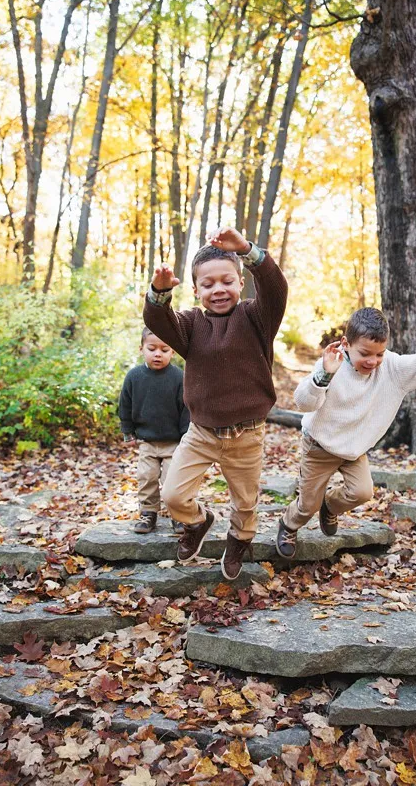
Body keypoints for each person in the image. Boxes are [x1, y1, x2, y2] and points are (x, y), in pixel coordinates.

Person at [143, 226, 288, 580]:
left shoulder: (257, 317)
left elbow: (276, 287)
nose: (218, 289)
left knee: (245, 501)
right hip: (202, 433)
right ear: (196, 290)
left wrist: (247, 250)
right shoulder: (191, 325)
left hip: (247, 436)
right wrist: (159, 293)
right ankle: (198, 521)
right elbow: (157, 321)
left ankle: (240, 539)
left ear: (241, 283)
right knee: (174, 495)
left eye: (226, 281)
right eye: (208, 285)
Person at [276, 307, 416, 559]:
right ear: (346, 344)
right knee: (306, 506)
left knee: (362, 492)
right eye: (365, 354)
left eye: (379, 353)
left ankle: (330, 505)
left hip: (353, 450)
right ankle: (288, 525)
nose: (373, 361)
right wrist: (323, 375)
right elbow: (304, 403)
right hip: (319, 446)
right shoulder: (330, 365)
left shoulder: (390, 368)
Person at [119, 328, 190, 533]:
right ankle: (148, 513)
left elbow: (186, 408)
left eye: (164, 349)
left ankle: (179, 515)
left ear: (173, 352)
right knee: (146, 477)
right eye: (152, 348)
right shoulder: (134, 376)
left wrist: (186, 437)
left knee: (173, 481)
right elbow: (125, 404)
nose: (157, 353)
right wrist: (127, 430)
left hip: (174, 443)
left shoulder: (179, 378)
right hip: (147, 441)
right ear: (142, 349)